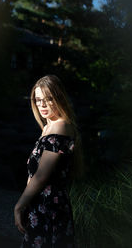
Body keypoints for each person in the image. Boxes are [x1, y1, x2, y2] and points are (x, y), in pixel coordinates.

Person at [14, 74, 84, 248]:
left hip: (51, 208)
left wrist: (18, 206)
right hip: (39, 207)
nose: (42, 105)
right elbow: (34, 175)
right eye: (38, 100)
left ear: (58, 98)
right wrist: (27, 204)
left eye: (48, 99)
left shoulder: (61, 126)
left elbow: (41, 175)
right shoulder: (47, 128)